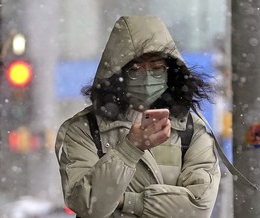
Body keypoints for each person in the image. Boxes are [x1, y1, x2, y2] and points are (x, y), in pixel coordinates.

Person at [55, 15, 221, 218]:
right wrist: (129, 149)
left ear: (171, 71)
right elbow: (88, 204)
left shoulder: (192, 130)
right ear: (116, 74)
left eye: (157, 67)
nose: (147, 77)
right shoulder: (86, 129)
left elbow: (199, 206)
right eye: (135, 69)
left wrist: (128, 201)